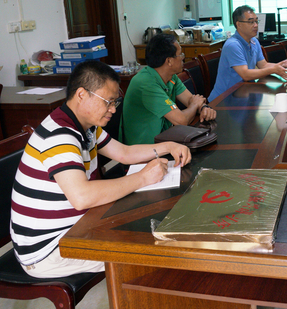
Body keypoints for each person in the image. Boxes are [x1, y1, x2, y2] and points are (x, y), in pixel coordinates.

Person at [10, 60, 191, 278]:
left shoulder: (85, 126)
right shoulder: (59, 135)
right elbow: (81, 197)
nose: (113, 109)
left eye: (115, 102)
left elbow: (124, 153)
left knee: (149, 230)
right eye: (109, 102)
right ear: (81, 95)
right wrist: (143, 178)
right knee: (148, 250)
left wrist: (168, 147)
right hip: (49, 249)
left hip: (78, 227)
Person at [120, 33, 216, 145]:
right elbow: (181, 120)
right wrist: (195, 105)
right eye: (180, 54)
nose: (183, 58)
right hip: (144, 150)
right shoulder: (145, 83)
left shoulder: (171, 76)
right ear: (169, 61)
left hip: (165, 139)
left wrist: (203, 107)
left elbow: (190, 99)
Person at [208, 5, 287, 100]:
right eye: (251, 22)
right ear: (239, 24)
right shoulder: (233, 45)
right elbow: (245, 75)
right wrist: (273, 70)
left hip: (244, 92)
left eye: (256, 21)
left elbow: (263, 65)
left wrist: (282, 64)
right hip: (224, 99)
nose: (256, 25)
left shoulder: (254, 41)